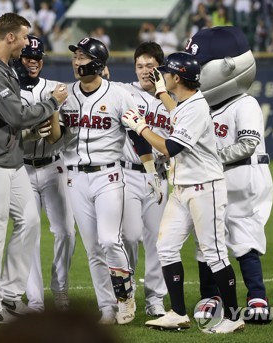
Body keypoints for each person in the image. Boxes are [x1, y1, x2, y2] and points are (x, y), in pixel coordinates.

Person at [122, 52, 244, 334]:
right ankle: (177, 313)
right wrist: (164, 94)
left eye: (166, 73)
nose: (161, 75)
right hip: (183, 187)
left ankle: (234, 317)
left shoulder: (197, 108)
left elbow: (170, 148)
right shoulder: (188, 101)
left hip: (205, 188)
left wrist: (140, 126)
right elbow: (175, 111)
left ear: (177, 78)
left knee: (214, 253)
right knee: (165, 247)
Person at [0, 12, 68, 324]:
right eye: (23, 36)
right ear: (10, 37)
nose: (26, 42)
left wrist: (30, 132)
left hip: (8, 158)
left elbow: (11, 120)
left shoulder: (2, 69)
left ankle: (8, 294)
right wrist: (52, 102)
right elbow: (19, 116)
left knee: (30, 221)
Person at [60, 37, 159, 325]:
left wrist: (151, 170)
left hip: (109, 175)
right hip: (75, 177)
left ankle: (125, 296)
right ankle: (106, 307)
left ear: (98, 64)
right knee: (92, 248)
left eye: (82, 57)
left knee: (108, 240)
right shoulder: (64, 94)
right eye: (75, 56)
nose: (77, 62)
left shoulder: (118, 95)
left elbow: (138, 136)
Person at [185, 26, 273, 324]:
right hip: (212, 178)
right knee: (206, 237)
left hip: (242, 175)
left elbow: (248, 143)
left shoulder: (245, 103)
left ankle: (257, 296)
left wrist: (212, 159)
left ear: (227, 66)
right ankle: (212, 295)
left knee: (243, 234)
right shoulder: (200, 107)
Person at [13, 35, 76, 312]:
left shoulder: (57, 88)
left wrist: (54, 123)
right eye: (28, 56)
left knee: (66, 232)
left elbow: (61, 137)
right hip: (23, 168)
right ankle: (36, 301)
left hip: (54, 165)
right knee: (29, 234)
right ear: (19, 57)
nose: (34, 62)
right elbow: (4, 135)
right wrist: (28, 132)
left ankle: (60, 288)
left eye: (38, 57)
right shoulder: (8, 89)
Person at [117, 42, 170, 318]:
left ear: (159, 68)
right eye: (140, 66)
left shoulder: (171, 100)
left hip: (159, 177)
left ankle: (155, 299)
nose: (144, 71)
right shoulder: (124, 91)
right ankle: (126, 291)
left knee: (157, 241)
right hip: (128, 173)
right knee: (129, 235)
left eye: (150, 66)